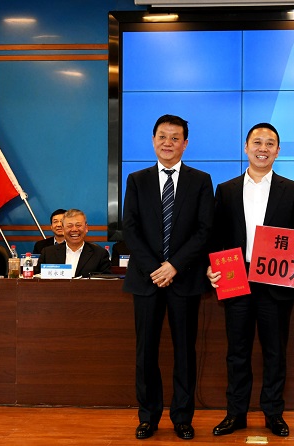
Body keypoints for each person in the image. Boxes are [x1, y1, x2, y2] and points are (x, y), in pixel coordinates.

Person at [207, 123, 294, 438]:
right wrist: (210, 266)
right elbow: (216, 234)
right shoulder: (226, 189)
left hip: (275, 280)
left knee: (275, 352)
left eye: (269, 143)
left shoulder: (291, 189)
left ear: (278, 151)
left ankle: (273, 413)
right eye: (257, 142)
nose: (262, 148)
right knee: (237, 352)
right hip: (236, 276)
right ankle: (235, 414)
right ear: (246, 147)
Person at [122, 114, 214, 441]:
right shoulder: (137, 180)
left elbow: (204, 230)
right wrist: (155, 268)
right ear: (153, 140)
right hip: (146, 279)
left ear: (185, 143)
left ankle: (182, 417)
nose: (168, 143)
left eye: (175, 138)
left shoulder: (200, 180)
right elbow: (130, 229)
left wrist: (173, 265)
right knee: (145, 352)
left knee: (184, 352)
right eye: (162, 136)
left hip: (184, 278)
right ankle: (148, 417)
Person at [35, 209, 111, 277]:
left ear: (86, 228)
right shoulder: (48, 253)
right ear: (63, 229)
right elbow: (37, 278)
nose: (74, 229)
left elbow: (106, 283)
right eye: (69, 226)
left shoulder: (99, 254)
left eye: (78, 225)